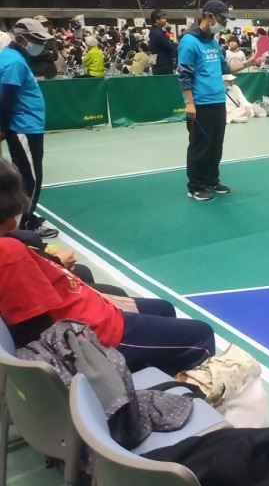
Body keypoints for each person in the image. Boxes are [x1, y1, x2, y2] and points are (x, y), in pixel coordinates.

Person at [0, 158, 216, 376]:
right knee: (201, 334)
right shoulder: (9, 252)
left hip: (88, 311)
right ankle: (162, 392)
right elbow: (37, 333)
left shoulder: (13, 244)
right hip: (97, 332)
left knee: (164, 308)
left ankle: (150, 370)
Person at [178, 0, 246, 202]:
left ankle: (211, 180)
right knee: (200, 145)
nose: (224, 23)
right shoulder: (189, 41)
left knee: (216, 144)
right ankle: (196, 185)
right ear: (209, 16)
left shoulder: (214, 43)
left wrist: (249, 63)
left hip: (218, 100)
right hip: (200, 103)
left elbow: (225, 69)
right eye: (222, 18)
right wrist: (189, 102)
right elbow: (183, 75)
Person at [0, 19, 57, 238]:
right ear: (21, 38)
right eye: (35, 40)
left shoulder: (11, 58)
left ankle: (23, 220)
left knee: (23, 174)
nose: (39, 44)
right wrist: (3, 127)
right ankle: (24, 227)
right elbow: (6, 98)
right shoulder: (13, 61)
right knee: (30, 179)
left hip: (26, 125)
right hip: (24, 126)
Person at [149, 9, 177, 75]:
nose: (165, 20)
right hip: (163, 65)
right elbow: (169, 47)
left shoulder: (155, 31)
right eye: (163, 18)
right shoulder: (157, 33)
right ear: (156, 20)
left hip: (160, 63)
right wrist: (174, 44)